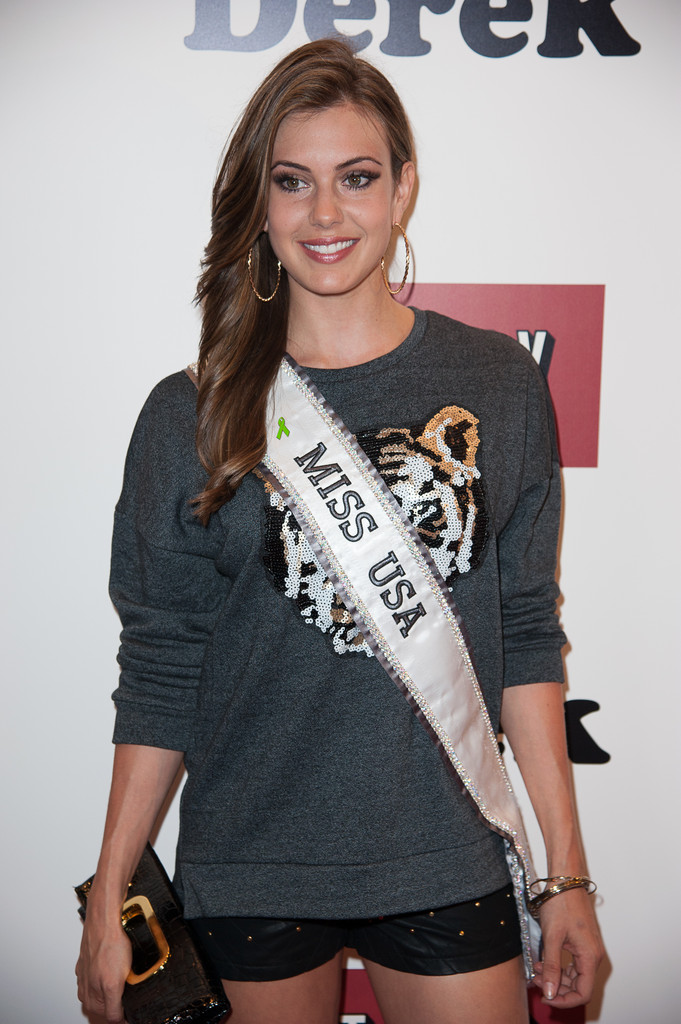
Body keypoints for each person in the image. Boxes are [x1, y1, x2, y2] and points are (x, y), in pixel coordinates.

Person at [76, 38, 603, 1024]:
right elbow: (161, 667)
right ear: (260, 201)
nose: (326, 213)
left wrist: (564, 881)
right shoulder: (188, 414)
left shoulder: (498, 386)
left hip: (445, 850)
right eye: (294, 182)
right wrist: (112, 890)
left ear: (402, 189)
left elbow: (525, 636)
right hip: (251, 859)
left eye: (357, 178)